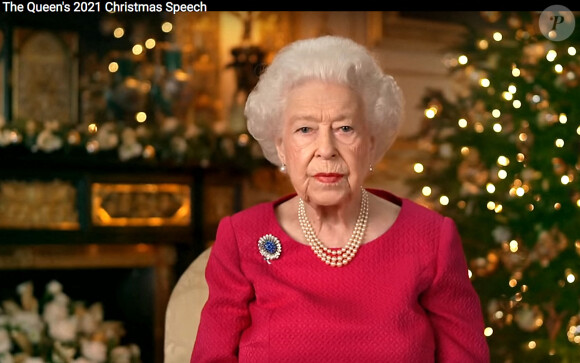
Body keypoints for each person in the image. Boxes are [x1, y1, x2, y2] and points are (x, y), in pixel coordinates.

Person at [191, 35, 489, 362]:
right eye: (305, 129)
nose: (326, 149)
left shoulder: (431, 239)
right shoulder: (242, 238)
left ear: (372, 144)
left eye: (345, 128)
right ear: (280, 146)